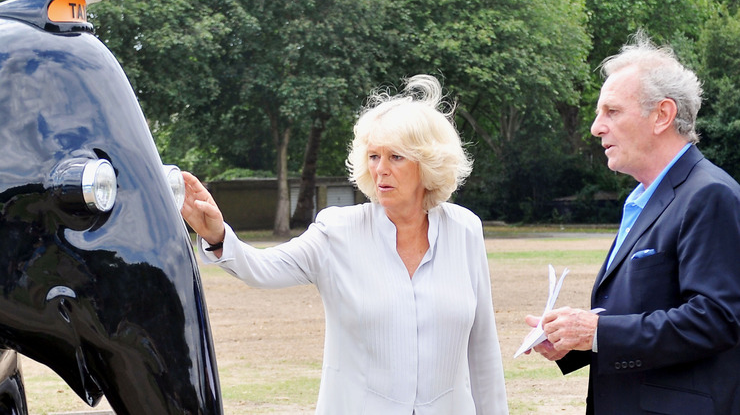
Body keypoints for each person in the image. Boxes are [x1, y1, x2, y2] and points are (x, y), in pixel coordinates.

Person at [180, 74, 509, 415]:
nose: (381, 169)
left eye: (395, 157)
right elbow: (263, 268)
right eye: (373, 156)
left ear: (427, 164)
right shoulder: (336, 231)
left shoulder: (465, 230)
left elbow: (482, 350)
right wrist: (218, 236)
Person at [524, 30, 740, 414]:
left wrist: (596, 332)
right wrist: (574, 343)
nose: (595, 127)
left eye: (612, 111)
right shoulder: (643, 198)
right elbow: (642, 313)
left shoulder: (710, 194)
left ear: (662, 115)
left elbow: (716, 320)